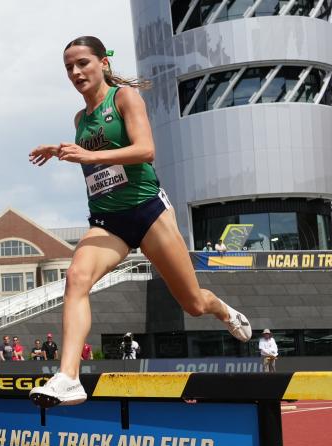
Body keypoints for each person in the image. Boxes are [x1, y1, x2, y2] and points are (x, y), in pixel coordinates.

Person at [28, 36, 251, 407]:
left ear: (103, 63)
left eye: (82, 63)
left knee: (193, 304)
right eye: (69, 67)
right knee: (76, 279)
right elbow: (96, 155)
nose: (75, 72)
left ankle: (224, 310)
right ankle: (68, 377)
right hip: (108, 220)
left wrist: (85, 153)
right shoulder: (81, 119)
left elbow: (146, 150)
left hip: (148, 211)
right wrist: (64, 149)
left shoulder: (125, 99)